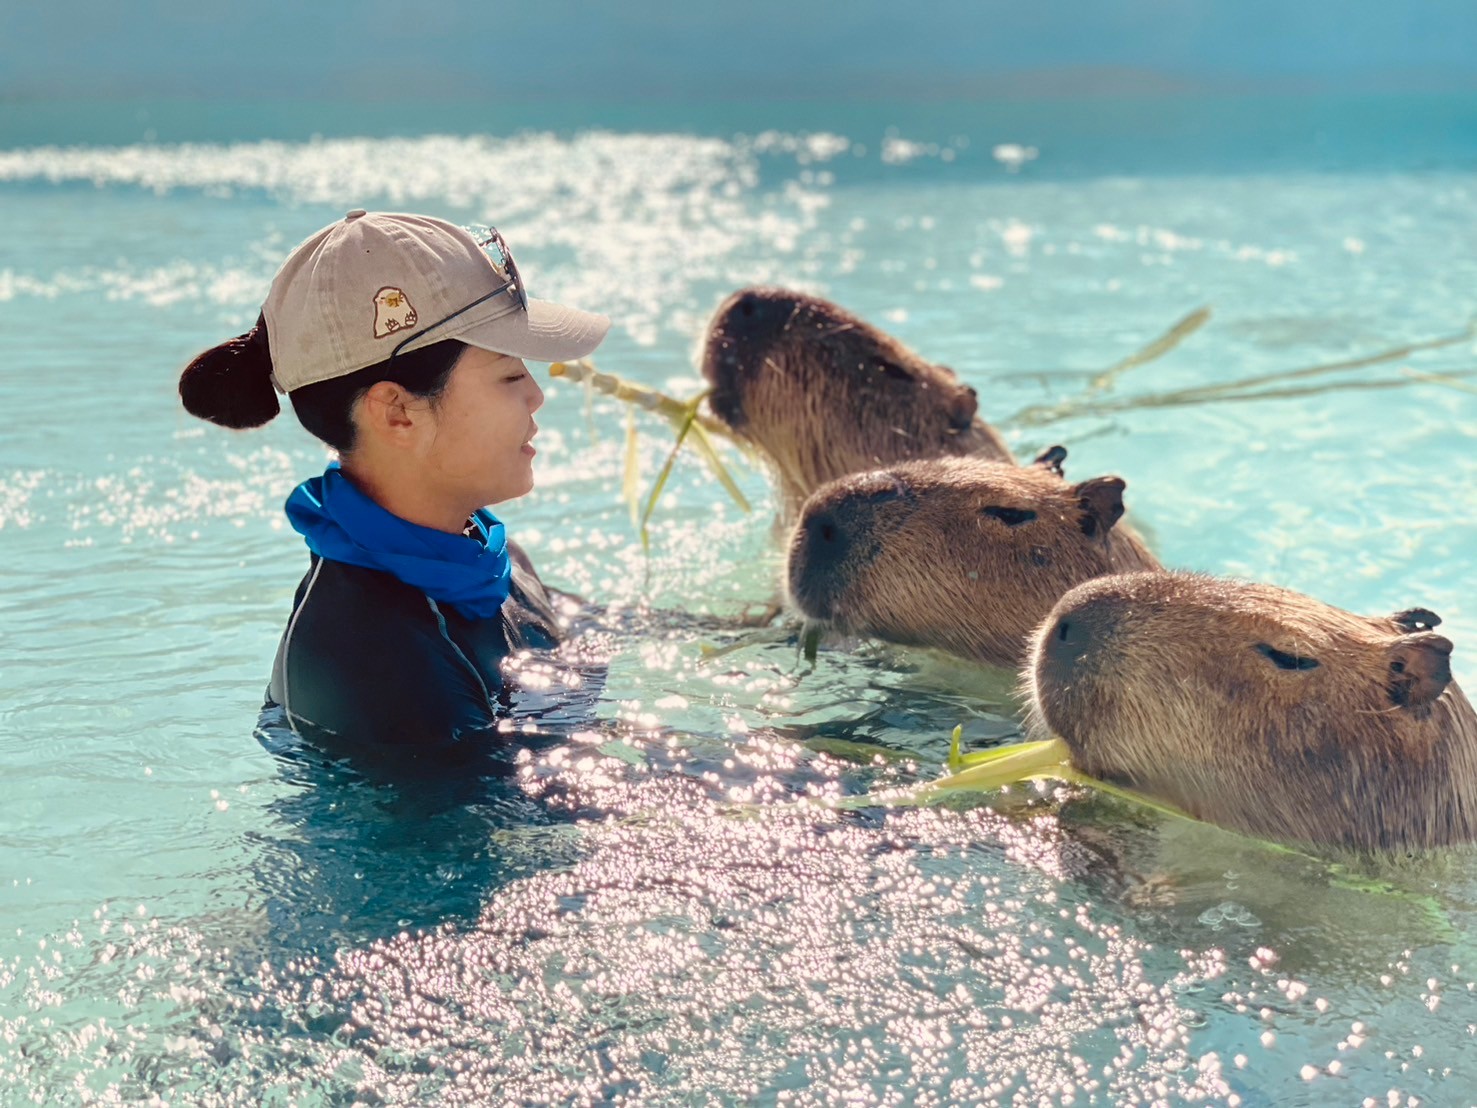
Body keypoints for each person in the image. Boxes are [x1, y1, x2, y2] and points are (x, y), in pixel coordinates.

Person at [178, 210, 609, 765]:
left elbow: (591, 629)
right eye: (508, 373)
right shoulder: (375, 659)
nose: (536, 395)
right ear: (397, 412)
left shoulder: (488, 558)